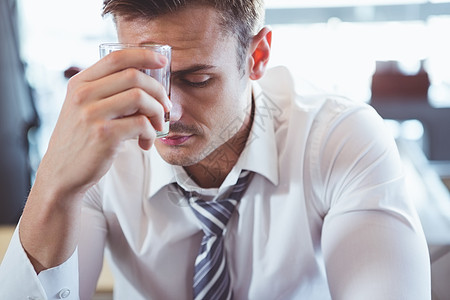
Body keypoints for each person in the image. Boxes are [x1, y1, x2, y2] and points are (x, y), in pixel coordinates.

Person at [0, 0, 431, 299]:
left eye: (197, 79)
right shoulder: (108, 150)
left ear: (257, 56)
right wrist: (55, 181)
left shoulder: (339, 140)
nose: (165, 110)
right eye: (147, 76)